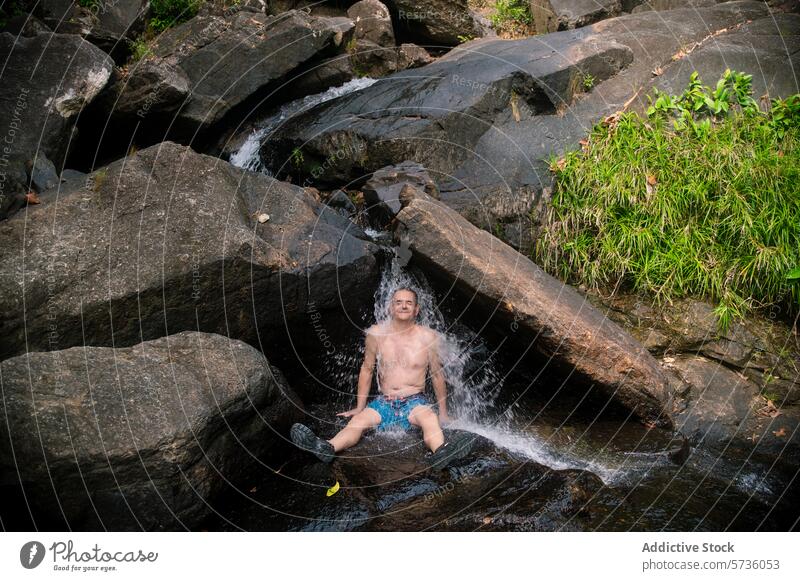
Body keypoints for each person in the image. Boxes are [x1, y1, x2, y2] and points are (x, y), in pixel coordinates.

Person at [290, 287, 473, 469]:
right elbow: (367, 369)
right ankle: (327, 447)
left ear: (416, 309)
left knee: (429, 419)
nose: (403, 306)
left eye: (408, 303)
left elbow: (437, 375)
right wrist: (359, 407)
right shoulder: (376, 334)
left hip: (414, 403)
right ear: (391, 308)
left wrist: (443, 413)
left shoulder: (428, 337)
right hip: (383, 403)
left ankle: (442, 452)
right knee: (358, 422)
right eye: (398, 302)